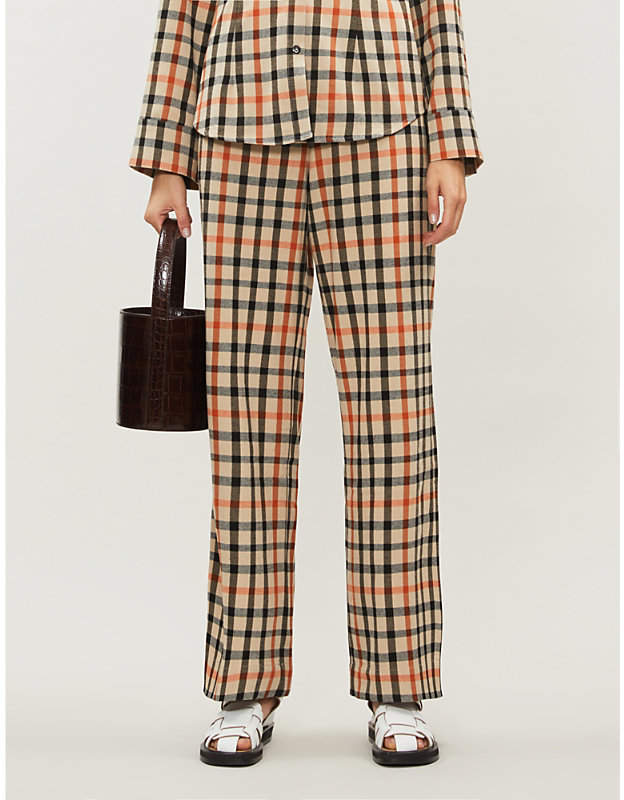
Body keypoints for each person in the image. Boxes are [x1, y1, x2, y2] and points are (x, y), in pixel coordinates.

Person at [129, 0, 483, 768]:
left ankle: (398, 687)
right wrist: (167, 161)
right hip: (241, 139)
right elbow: (184, 15)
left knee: (393, 422)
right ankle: (245, 687)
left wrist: (450, 144)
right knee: (246, 427)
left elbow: (437, 12)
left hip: (384, 139)